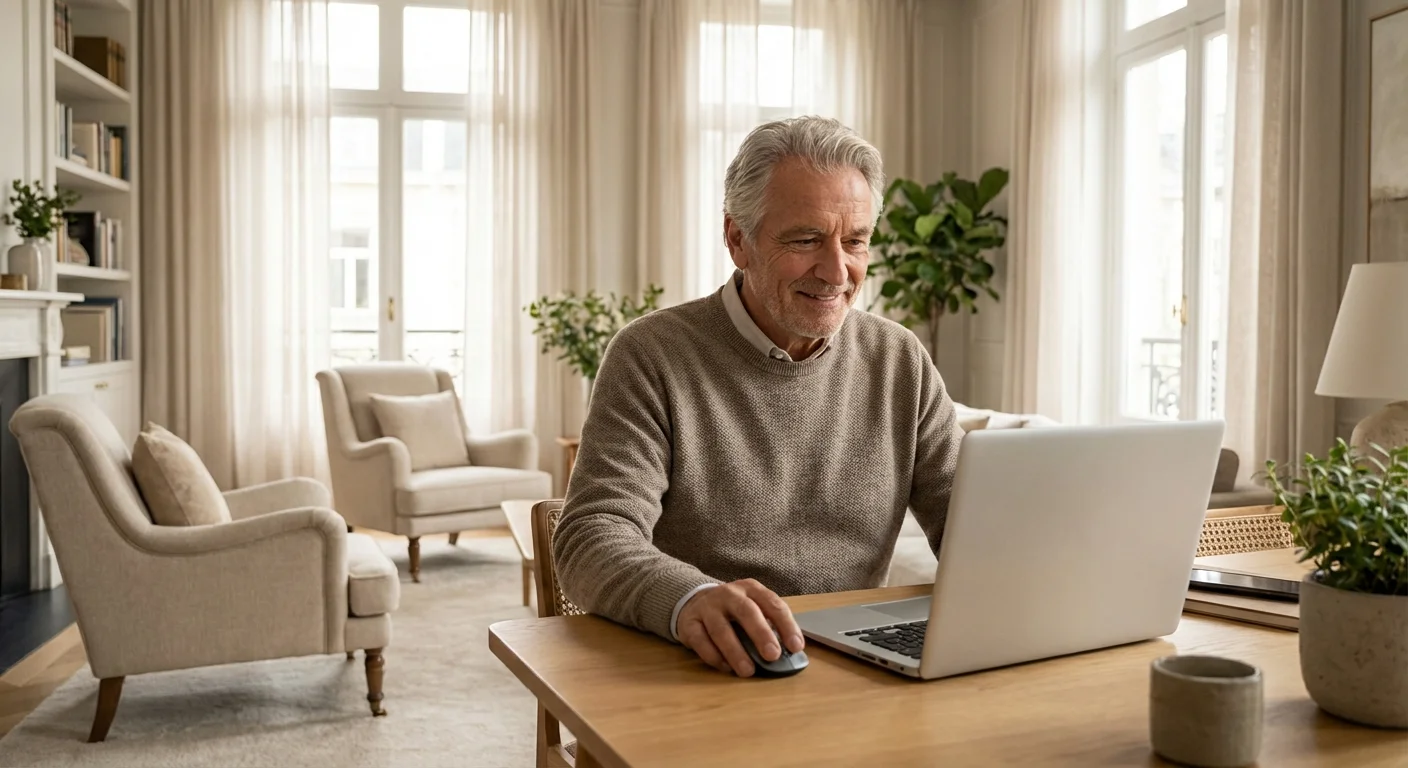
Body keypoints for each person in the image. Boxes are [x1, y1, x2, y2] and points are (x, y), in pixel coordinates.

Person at [554, 116, 962, 678]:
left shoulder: (898, 358)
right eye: (806, 240)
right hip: (708, 665)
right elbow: (590, 537)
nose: (836, 271)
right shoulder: (651, 354)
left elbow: (970, 521)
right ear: (737, 240)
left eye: (855, 241)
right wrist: (690, 599)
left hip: (858, 668)